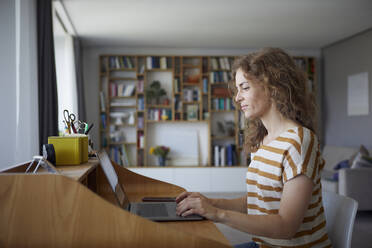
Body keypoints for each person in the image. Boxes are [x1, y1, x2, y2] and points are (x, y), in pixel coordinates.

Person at [176, 48, 331, 248]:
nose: (237, 98)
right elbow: (258, 201)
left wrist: (217, 214)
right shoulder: (263, 140)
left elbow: (286, 227)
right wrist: (210, 203)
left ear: (273, 86)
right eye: (237, 89)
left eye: (245, 87)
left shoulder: (300, 141)